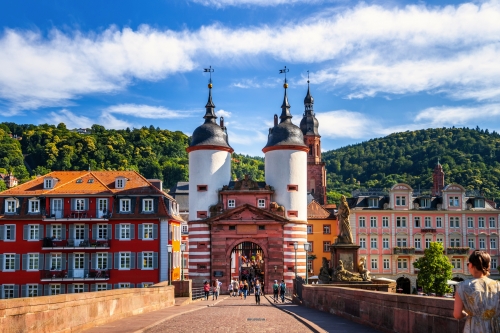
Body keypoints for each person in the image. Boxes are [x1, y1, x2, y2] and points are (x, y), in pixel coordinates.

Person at [454, 250, 500, 332]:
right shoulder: (498, 285)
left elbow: (457, 314)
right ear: (488, 265)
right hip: (494, 327)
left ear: (471, 265)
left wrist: (468, 314)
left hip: (473, 328)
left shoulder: (462, 286)